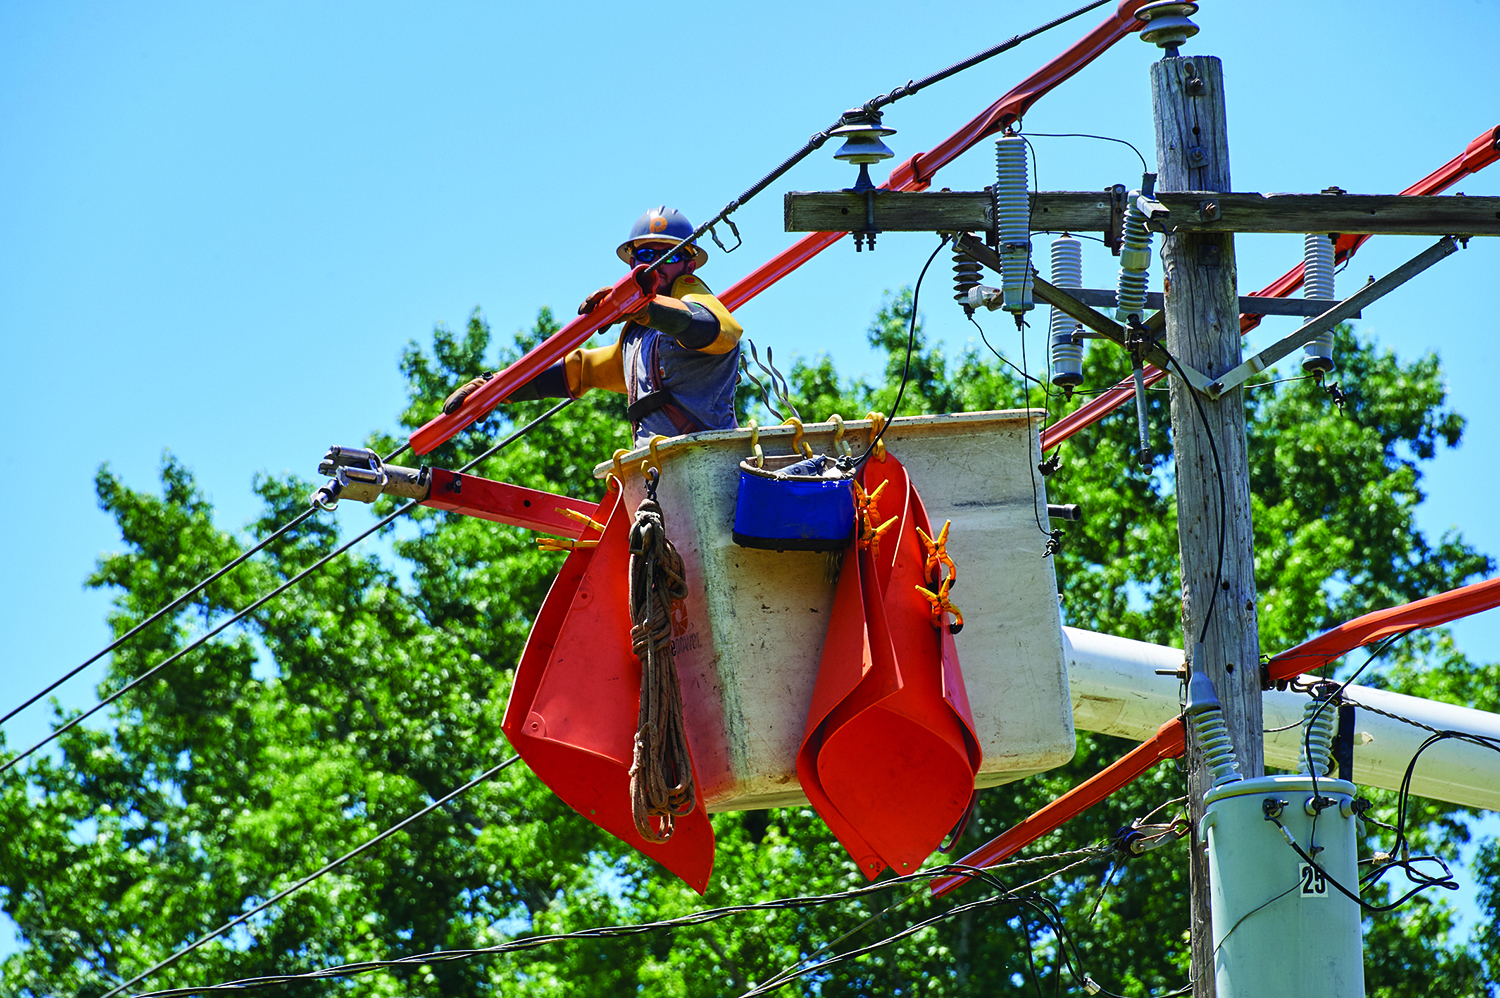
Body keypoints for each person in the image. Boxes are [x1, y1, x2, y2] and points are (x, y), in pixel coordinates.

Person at [443, 206, 742, 442]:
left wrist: (645, 307)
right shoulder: (636, 341)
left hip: (707, 459)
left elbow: (715, 328)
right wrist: (498, 388)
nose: (656, 264)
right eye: (646, 255)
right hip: (654, 472)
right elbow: (579, 371)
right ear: (632, 263)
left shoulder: (700, 305)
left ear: (689, 264)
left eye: (669, 255)